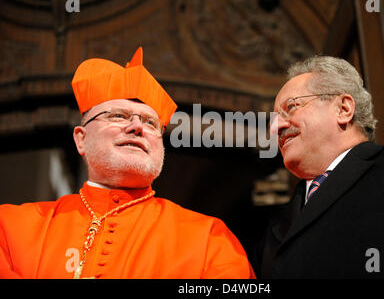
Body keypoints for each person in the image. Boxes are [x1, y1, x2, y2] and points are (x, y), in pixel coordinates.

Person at [0, 47, 255, 279]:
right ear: (81, 138)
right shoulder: (10, 228)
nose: (136, 127)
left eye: (150, 123)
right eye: (118, 116)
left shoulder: (211, 241)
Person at [255, 55, 384, 278]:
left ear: (343, 109)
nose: (275, 127)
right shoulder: (275, 227)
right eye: (274, 117)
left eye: (291, 107)